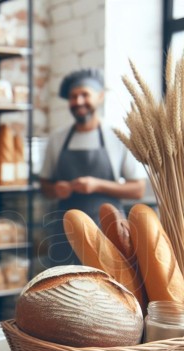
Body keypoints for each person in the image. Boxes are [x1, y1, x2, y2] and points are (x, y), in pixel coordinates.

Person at [39, 68, 147, 266]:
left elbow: (138, 189)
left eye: (84, 95)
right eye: (73, 96)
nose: (78, 101)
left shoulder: (117, 137)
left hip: (109, 232)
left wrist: (97, 185)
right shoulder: (57, 139)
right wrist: (55, 189)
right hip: (65, 233)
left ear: (100, 97)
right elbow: (44, 185)